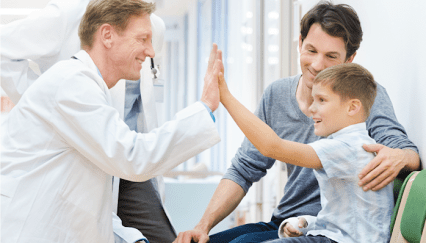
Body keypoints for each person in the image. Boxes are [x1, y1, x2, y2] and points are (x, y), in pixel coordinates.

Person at [174, 2, 420, 243]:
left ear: (350, 59)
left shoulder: (364, 98)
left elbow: (406, 152)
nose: (317, 65)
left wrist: (402, 157)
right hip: (289, 222)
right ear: (300, 43)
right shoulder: (277, 94)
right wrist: (202, 226)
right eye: (311, 50)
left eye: (331, 56)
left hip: (329, 230)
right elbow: (244, 168)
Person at [0, 0, 223, 242]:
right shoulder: (73, 85)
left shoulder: (86, 89)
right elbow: (134, 156)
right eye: (142, 40)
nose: (151, 52)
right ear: (107, 36)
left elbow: (93, 207)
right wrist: (205, 109)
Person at [218, 62, 393, 243]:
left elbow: (272, 147)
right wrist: (305, 223)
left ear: (352, 107)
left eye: (322, 100)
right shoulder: (352, 145)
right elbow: (346, 222)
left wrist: (226, 97)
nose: (311, 108)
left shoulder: (347, 147)